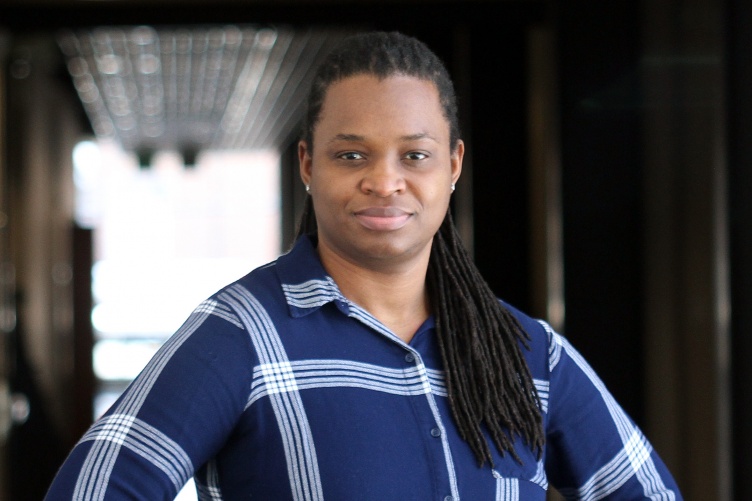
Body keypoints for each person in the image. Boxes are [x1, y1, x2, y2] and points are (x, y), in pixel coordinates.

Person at [46, 31, 682, 500]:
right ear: (307, 165)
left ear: (453, 166)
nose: (385, 182)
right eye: (352, 156)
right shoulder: (242, 336)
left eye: (415, 155)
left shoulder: (527, 355)